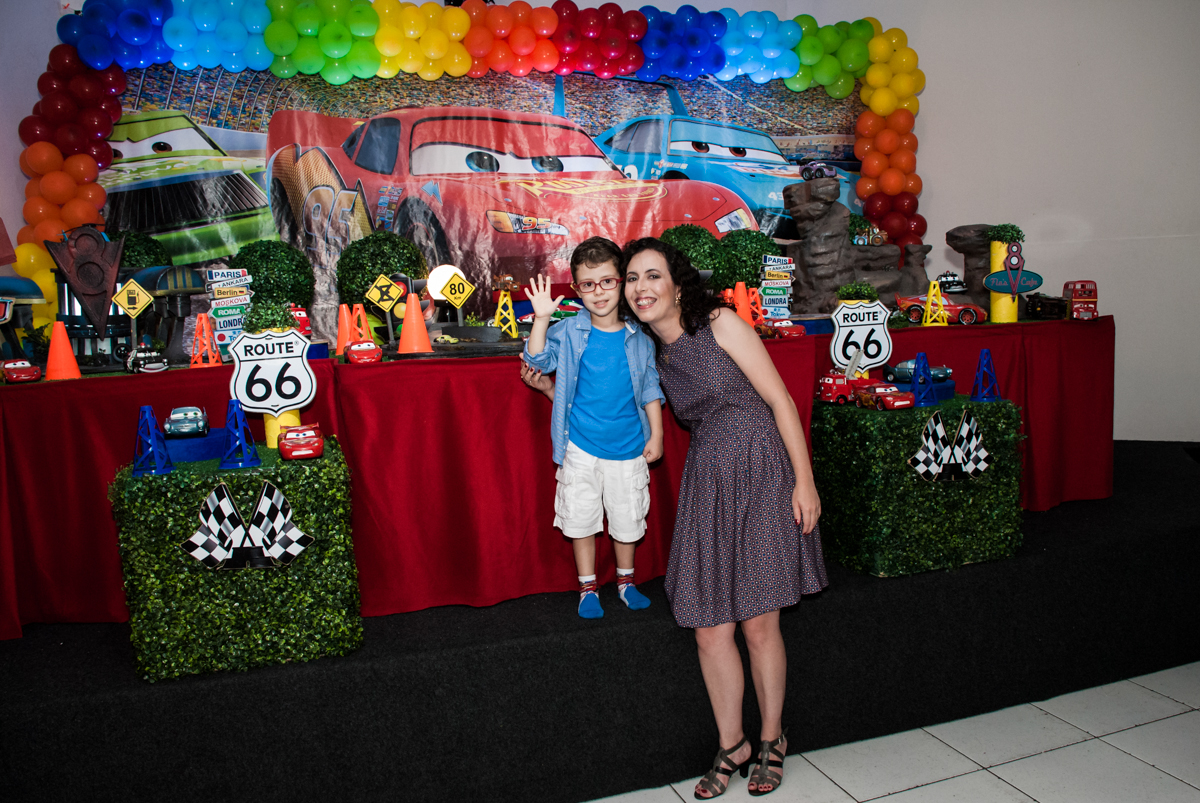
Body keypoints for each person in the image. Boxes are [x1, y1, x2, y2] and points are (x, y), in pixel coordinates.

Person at [620, 237, 828, 798]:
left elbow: (781, 401)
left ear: (676, 282)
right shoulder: (648, 351)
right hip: (709, 477)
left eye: (652, 275)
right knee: (711, 630)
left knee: (760, 623)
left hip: (762, 467)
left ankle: (771, 738)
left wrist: (804, 483)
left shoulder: (719, 322)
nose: (641, 287)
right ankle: (731, 742)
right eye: (632, 278)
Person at [521, 236, 665, 619]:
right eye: (587, 284)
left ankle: (625, 581)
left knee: (627, 517)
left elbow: (650, 387)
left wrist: (658, 433)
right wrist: (540, 318)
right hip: (580, 448)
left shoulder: (640, 337)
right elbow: (536, 358)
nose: (598, 292)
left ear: (622, 281)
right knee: (581, 517)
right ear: (577, 289)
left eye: (606, 281)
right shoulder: (569, 332)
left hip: (630, 447)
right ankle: (588, 587)